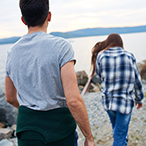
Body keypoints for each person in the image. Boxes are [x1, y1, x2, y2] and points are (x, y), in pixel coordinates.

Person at [5, 0, 95, 146]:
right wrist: (89, 137)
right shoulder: (61, 47)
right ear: (49, 16)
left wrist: (32, 109)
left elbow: (9, 97)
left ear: (23, 20)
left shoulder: (11, 53)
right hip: (59, 130)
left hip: (27, 131)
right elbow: (73, 99)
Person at [91, 33, 144, 146]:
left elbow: (98, 77)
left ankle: (123, 141)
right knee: (120, 134)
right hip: (124, 103)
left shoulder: (101, 55)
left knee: (117, 130)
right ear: (121, 44)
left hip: (108, 102)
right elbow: (137, 81)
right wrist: (139, 99)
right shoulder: (129, 56)